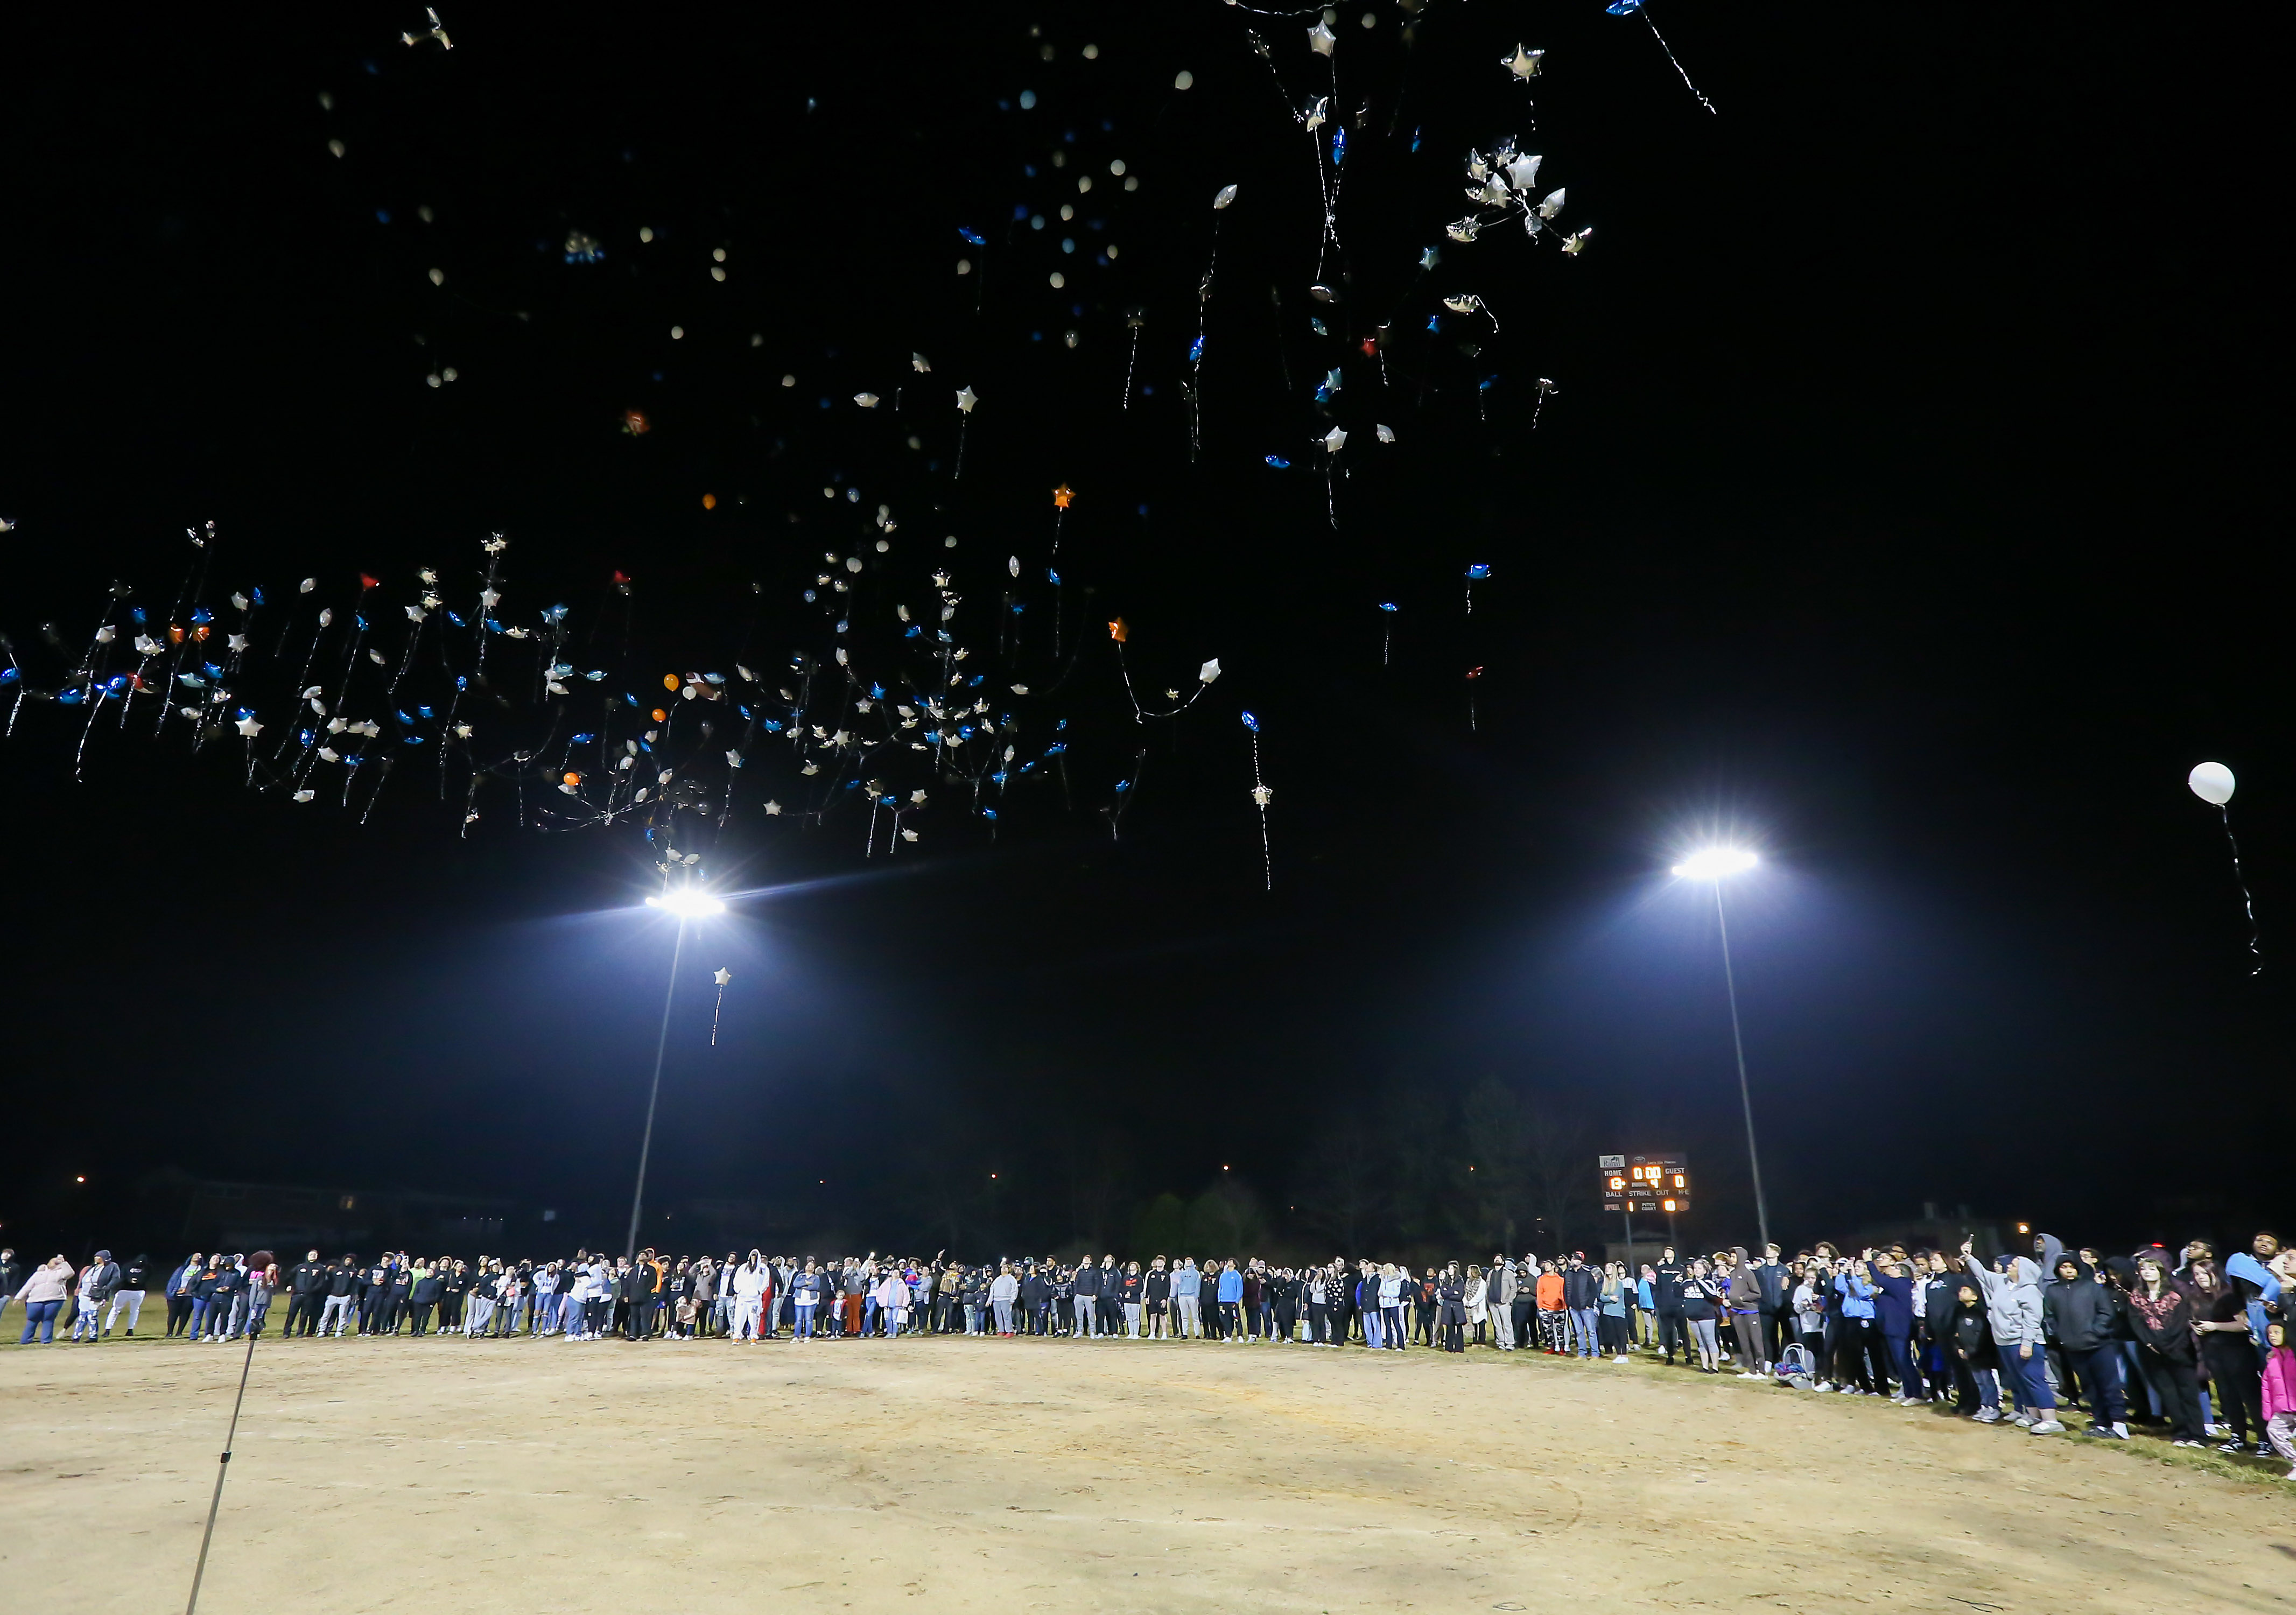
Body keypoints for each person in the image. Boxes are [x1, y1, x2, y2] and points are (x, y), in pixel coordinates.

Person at [1963, 1242, 2060, 1432]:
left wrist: (2027, 1343)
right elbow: (1982, 1273)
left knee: (2034, 1379)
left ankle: (2051, 1419)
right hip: (2004, 1343)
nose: (2009, 1267)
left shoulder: (2030, 1291)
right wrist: (1968, 1257)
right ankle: (2033, 1415)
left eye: (2014, 1265)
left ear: (2023, 1271)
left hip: (2024, 1343)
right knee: (2020, 1379)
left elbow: (2033, 1320)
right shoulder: (2002, 1283)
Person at [2043, 1252, 2128, 1439]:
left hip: (2100, 1345)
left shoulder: (2093, 1288)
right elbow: (2050, 1316)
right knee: (2090, 1387)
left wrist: (2096, 1331)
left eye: (2072, 1267)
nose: (2069, 1271)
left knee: (2109, 1385)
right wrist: (2061, 1335)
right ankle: (2102, 1423)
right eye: (2064, 1267)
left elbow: (2106, 1312)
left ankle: (2120, 1425)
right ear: (2058, 1270)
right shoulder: (2052, 1291)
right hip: (2073, 1348)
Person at [2126, 1251, 2207, 1447]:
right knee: (2168, 1393)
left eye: (2152, 1269)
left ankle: (2198, 1435)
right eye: (2143, 1269)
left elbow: (2180, 1323)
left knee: (2188, 1393)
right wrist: (2150, 1343)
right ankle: (2181, 1432)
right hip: (2151, 1352)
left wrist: (2166, 1344)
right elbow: (2136, 1323)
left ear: (2161, 1271)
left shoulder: (2175, 1295)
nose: (2147, 1272)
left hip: (2179, 1350)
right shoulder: (2136, 1296)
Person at [2191, 1258, 2266, 1454]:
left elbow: (2245, 1324)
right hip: (2213, 1352)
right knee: (2227, 1395)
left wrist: (2215, 1326)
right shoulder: (2197, 1297)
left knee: (2250, 1397)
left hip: (2237, 1352)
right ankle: (2237, 1437)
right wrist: (2196, 1327)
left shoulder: (2228, 1295)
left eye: (2203, 1274)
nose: (2200, 1278)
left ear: (2214, 1274)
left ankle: (2265, 1439)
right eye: (2197, 1275)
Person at [2260, 1322, 2296, 1479]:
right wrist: (2269, 1413)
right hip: (2283, 1409)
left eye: (2277, 1332)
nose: (2272, 1336)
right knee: (2273, 1430)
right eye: (2270, 1333)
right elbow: (2267, 1386)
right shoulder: (2272, 1359)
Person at [15, 1255, 73, 1344]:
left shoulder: (61, 1273)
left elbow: (70, 1273)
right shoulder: (39, 1273)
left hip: (54, 1300)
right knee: (32, 1319)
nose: (55, 1262)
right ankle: (25, 1340)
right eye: (53, 1261)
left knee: (48, 1320)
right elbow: (28, 1285)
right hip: (35, 1300)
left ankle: (46, 1340)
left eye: (57, 1262)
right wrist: (19, 1297)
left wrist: (63, 1263)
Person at [69, 1249, 120, 1343]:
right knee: (82, 1316)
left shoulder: (112, 1267)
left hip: (97, 1294)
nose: (96, 1258)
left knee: (92, 1315)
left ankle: (93, 1336)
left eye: (98, 1257)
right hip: (85, 1294)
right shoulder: (93, 1267)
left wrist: (107, 1288)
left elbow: (116, 1278)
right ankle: (76, 1336)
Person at [102, 1253, 150, 1339]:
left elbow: (146, 1278)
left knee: (134, 1310)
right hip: (124, 1290)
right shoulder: (128, 1266)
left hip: (139, 1291)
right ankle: (108, 1330)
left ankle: (130, 1330)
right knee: (116, 1309)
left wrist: (138, 1281)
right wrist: (129, 1280)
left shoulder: (148, 1268)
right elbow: (122, 1277)